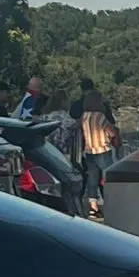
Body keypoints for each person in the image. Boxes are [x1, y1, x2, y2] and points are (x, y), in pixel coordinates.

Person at [81, 90, 120, 220]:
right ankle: (113, 204)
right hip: (102, 149)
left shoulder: (84, 116)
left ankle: (93, 208)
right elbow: (112, 132)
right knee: (110, 176)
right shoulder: (100, 116)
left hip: (89, 151)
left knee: (93, 179)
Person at [42, 89, 78, 158]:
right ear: (63, 101)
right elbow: (75, 125)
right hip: (61, 153)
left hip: (47, 150)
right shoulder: (62, 115)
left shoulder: (45, 116)